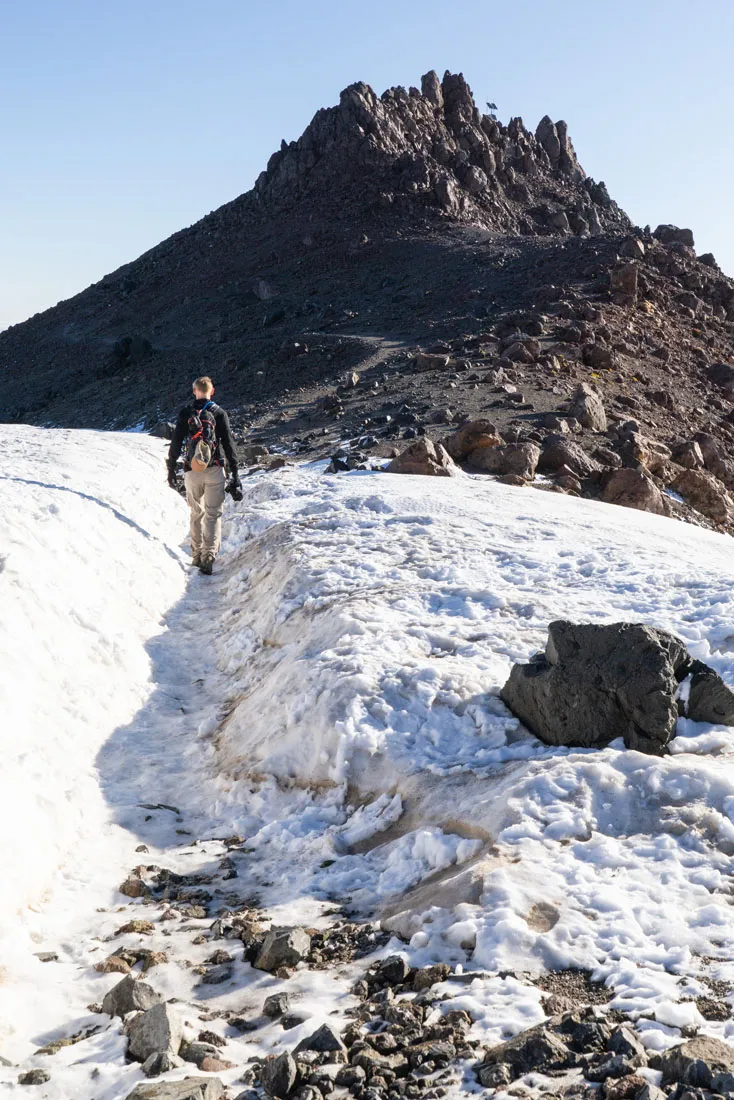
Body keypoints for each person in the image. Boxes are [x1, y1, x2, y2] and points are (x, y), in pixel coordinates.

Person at [167, 376, 240, 575]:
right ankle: (209, 555)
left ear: (194, 391)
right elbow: (229, 445)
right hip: (215, 469)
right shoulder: (219, 413)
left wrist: (171, 469)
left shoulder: (186, 413)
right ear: (212, 391)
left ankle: (197, 555)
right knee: (213, 513)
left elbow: (176, 443)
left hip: (192, 471)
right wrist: (235, 473)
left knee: (196, 512)